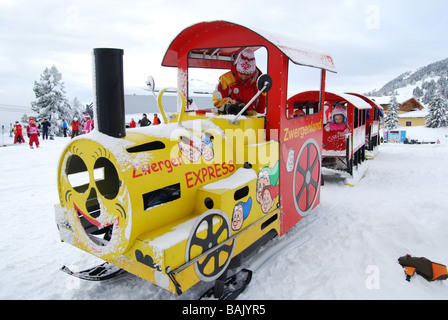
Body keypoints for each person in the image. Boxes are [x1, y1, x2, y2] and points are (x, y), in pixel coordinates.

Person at [213, 48, 266, 115]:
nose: (243, 77)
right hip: (229, 118)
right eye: (241, 74)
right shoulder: (226, 79)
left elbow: (261, 105)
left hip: (250, 120)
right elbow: (217, 100)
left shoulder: (258, 83)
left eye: (247, 75)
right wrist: (234, 105)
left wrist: (258, 117)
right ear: (237, 70)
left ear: (252, 74)